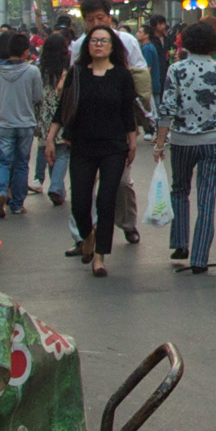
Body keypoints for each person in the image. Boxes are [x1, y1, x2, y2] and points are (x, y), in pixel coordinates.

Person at [49, 24, 140, 275]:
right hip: (81, 145)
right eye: (94, 41)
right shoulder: (77, 73)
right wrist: (50, 138)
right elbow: (62, 109)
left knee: (107, 200)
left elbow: (127, 112)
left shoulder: (122, 76)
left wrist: (132, 142)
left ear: (112, 47)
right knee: (79, 201)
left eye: (104, 41)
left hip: (113, 147)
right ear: (87, 46)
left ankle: (100, 256)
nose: (98, 44)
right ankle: (87, 235)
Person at [153, 18, 216, 274]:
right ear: (214, 44)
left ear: (185, 43)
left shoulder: (176, 70)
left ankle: (179, 242)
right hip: (214, 140)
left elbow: (167, 107)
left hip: (182, 140)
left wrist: (159, 142)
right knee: (207, 198)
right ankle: (200, 258)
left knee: (179, 189)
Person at [79, 0, 150, 243]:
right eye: (91, 20)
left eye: (101, 18)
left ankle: (128, 223)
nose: (96, 23)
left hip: (119, 123)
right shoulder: (79, 46)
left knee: (120, 181)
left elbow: (142, 78)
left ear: (110, 18)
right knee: (82, 188)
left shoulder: (127, 42)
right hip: (85, 127)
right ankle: (84, 235)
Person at [0, 32, 45, 222]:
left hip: (3, 123)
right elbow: (37, 97)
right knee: (21, 164)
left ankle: (1, 191)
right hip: (25, 123)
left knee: (4, 161)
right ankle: (17, 204)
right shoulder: (33, 71)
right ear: (26, 51)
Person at [34, 23, 74, 205]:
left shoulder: (39, 71)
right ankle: (57, 187)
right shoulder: (67, 72)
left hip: (44, 117)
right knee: (63, 152)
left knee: (50, 152)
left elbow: (35, 97)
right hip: (61, 117)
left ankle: (58, 188)